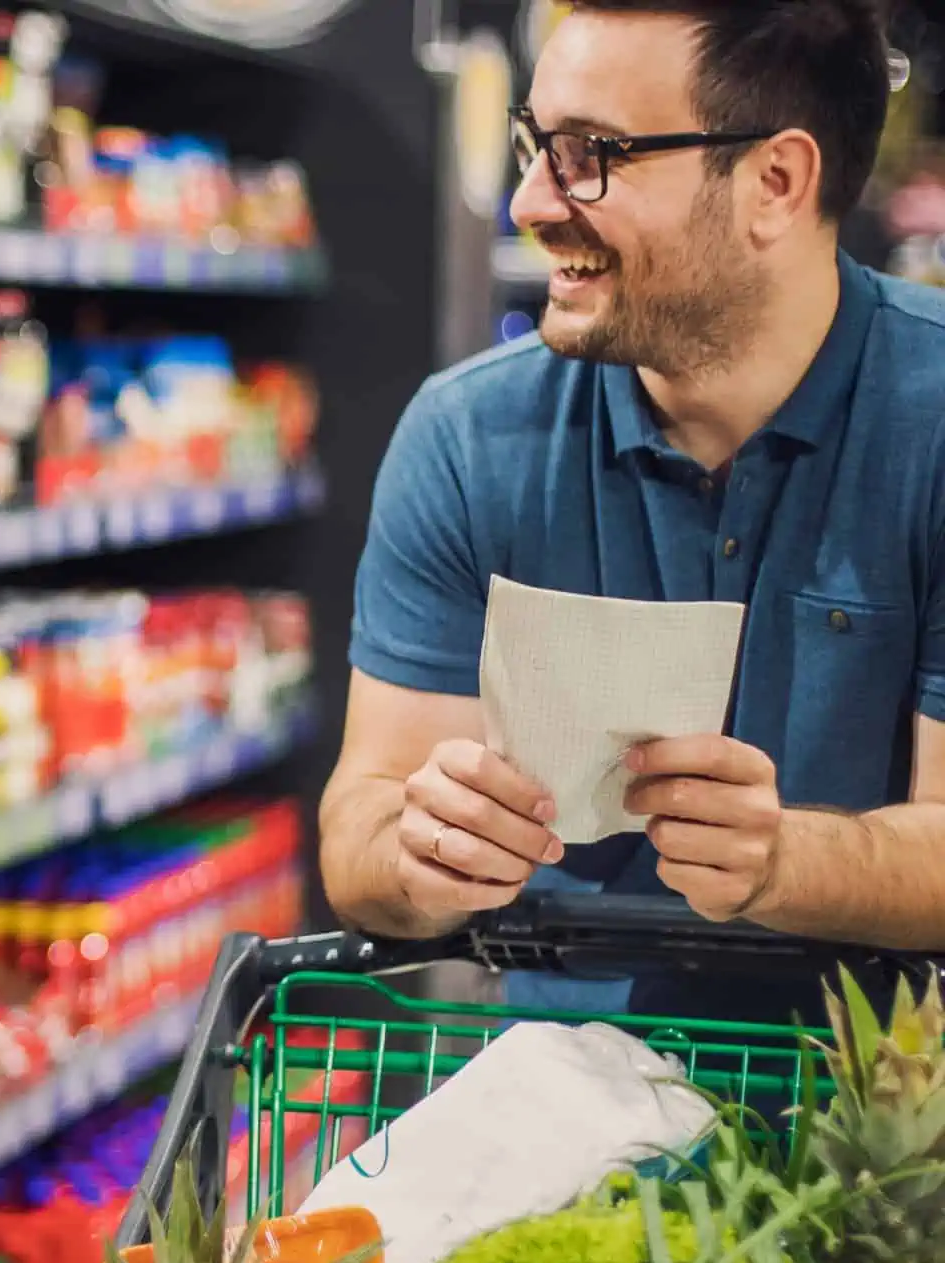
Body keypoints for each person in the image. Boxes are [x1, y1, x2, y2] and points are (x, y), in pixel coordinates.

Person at [319, 0, 945, 1019]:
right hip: (555, 1117)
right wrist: (418, 849)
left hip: (877, 1109)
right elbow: (360, 828)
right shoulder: (469, 436)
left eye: (589, 155)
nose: (529, 200)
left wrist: (786, 858)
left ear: (775, 183)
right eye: (534, 144)